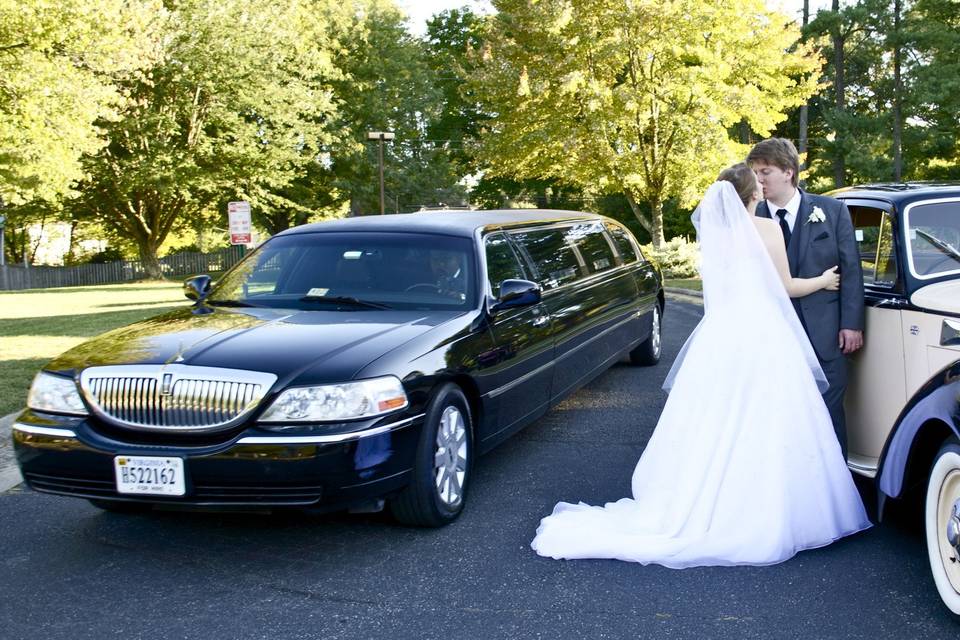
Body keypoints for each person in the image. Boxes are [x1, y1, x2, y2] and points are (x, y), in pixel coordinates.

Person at [529, 164, 871, 567]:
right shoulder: (766, 230)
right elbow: (786, 286)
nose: (763, 186)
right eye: (758, 183)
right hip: (762, 334)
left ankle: (708, 503)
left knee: (716, 419)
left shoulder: (716, 234)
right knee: (771, 418)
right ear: (753, 195)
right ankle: (768, 508)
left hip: (723, 335)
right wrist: (824, 281)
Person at [747, 138, 865, 458]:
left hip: (826, 335)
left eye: (765, 172)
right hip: (773, 337)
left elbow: (851, 270)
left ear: (788, 172)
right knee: (781, 419)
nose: (758, 180)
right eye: (755, 172)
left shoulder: (832, 210)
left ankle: (836, 490)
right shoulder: (749, 216)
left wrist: (851, 325)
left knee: (828, 416)